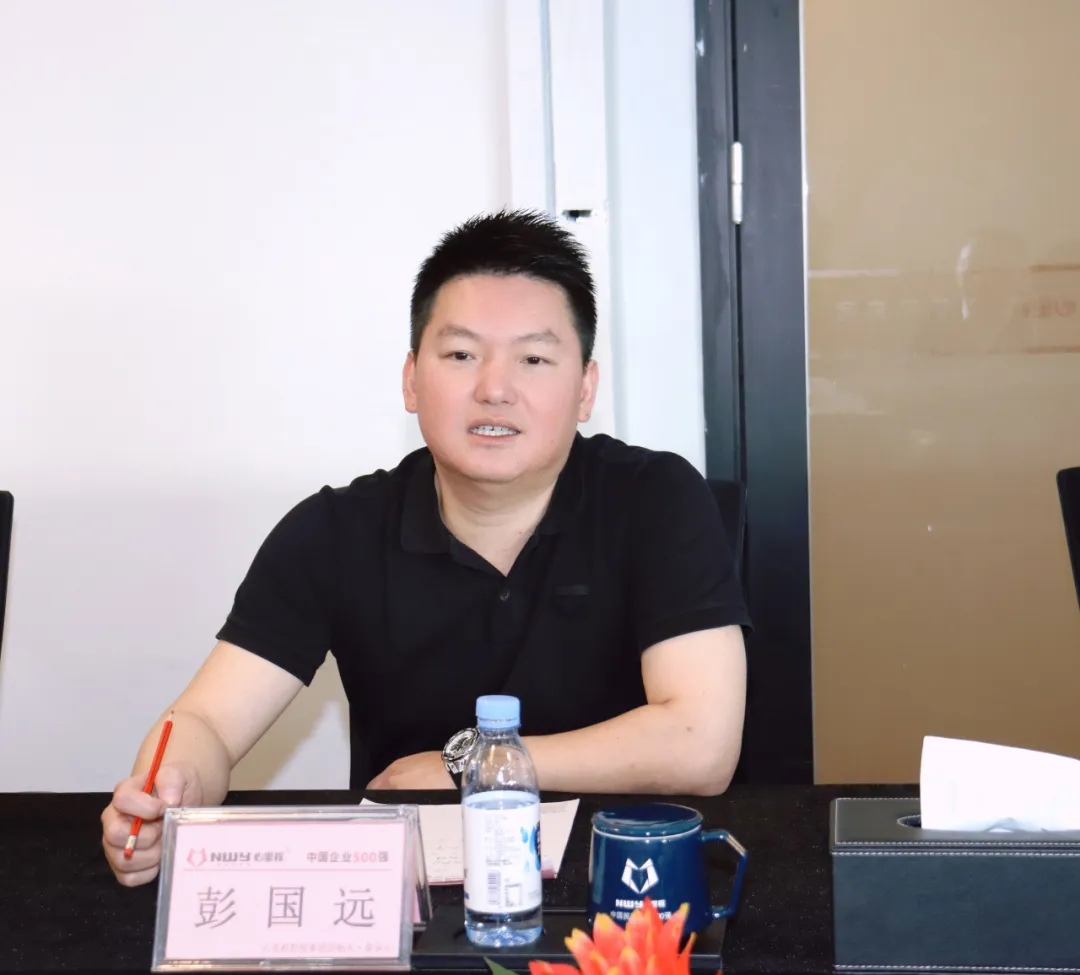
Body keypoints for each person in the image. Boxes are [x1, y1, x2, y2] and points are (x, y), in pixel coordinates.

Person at [101, 209, 752, 886]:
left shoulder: (656, 498)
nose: (494, 388)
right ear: (412, 380)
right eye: (461, 355)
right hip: (402, 898)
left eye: (533, 359)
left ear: (585, 389)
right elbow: (206, 720)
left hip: (624, 882)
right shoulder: (334, 531)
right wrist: (170, 791)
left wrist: (468, 767)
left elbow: (700, 743)